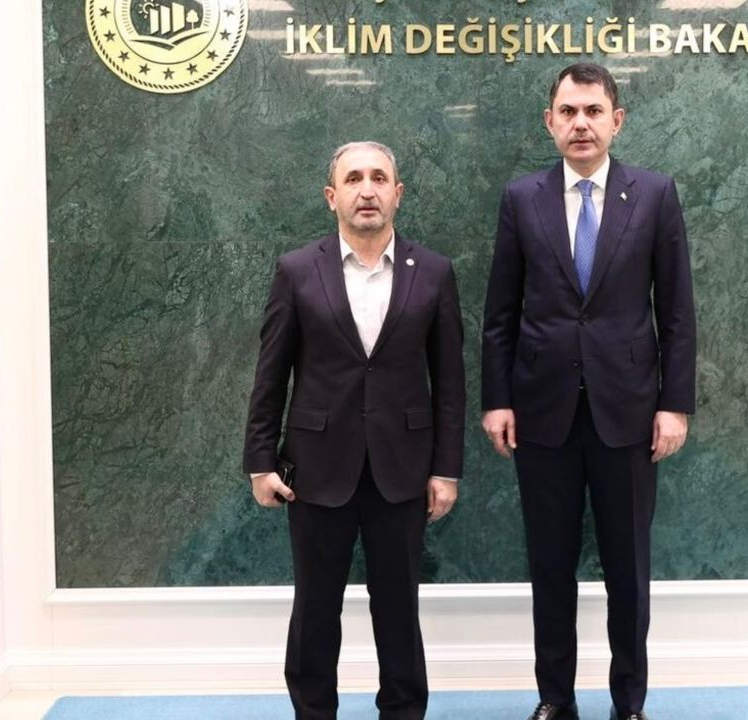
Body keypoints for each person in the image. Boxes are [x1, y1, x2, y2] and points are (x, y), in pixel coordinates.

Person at [480, 63, 697, 720]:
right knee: (550, 567)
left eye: (593, 111)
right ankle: (556, 698)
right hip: (541, 412)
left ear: (616, 121)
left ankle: (629, 703)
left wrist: (674, 404)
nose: (581, 123)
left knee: (627, 570)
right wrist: (496, 400)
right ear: (549, 122)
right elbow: (499, 313)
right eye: (569, 112)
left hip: (628, 413)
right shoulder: (521, 198)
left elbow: (677, 313)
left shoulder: (654, 195)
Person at [244, 141, 465, 720]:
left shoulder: (434, 272)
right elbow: (271, 374)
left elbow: (450, 383)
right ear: (331, 196)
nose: (367, 190)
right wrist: (260, 461)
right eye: (353, 179)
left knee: (399, 608)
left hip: (403, 471)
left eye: (379, 178)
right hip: (316, 469)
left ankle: (403, 711)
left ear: (398, 193)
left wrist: (446, 469)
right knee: (315, 608)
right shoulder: (297, 271)